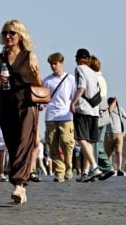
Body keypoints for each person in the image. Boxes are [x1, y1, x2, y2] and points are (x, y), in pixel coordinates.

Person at [0, 19, 42, 205]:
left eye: (12, 33)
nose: (8, 36)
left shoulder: (29, 56)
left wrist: (35, 75)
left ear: (20, 36)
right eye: (5, 33)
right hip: (6, 105)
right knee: (12, 145)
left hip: (26, 105)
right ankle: (22, 186)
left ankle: (18, 184)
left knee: (24, 143)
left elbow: (39, 84)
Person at [70, 48, 104, 182]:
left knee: (81, 138)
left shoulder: (79, 69)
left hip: (83, 109)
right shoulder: (93, 72)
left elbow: (81, 87)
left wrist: (73, 102)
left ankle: (94, 167)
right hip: (94, 110)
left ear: (78, 59)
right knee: (88, 141)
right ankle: (86, 172)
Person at [42, 52, 76, 183]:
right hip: (51, 116)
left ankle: (69, 166)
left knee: (67, 142)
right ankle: (59, 171)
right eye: (51, 64)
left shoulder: (70, 79)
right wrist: (41, 106)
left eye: (55, 64)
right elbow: (44, 98)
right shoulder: (47, 81)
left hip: (66, 115)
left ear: (61, 63)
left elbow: (74, 96)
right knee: (52, 145)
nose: (53, 66)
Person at [105, 97, 126, 176]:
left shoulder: (120, 109)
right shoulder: (107, 109)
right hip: (109, 134)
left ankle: (119, 169)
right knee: (109, 153)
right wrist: (114, 101)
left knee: (119, 152)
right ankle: (109, 168)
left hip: (119, 134)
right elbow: (110, 110)